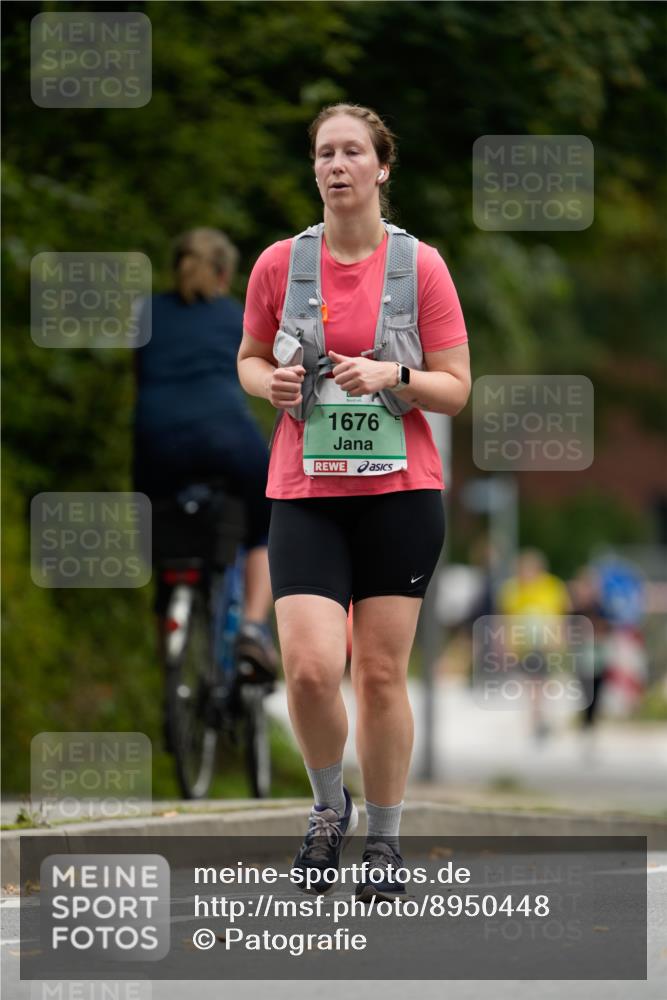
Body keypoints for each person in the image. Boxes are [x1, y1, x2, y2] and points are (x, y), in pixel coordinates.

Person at [238, 103, 470, 900]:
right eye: (323, 154)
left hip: (398, 494)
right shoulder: (278, 264)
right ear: (315, 170)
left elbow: (455, 388)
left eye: (351, 153)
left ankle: (385, 838)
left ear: (381, 168)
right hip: (306, 489)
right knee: (306, 668)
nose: (336, 165)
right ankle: (326, 804)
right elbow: (248, 356)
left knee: (376, 673)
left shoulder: (421, 267)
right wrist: (263, 381)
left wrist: (392, 377)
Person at [132, 227, 277, 677]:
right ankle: (253, 627)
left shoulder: (147, 313)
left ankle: (170, 672)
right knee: (267, 525)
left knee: (164, 536)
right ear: (223, 274)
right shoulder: (234, 315)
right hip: (226, 439)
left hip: (156, 443)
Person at [497, 549, 571, 741]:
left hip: (547, 642)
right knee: (533, 683)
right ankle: (537, 719)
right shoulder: (511, 589)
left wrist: (561, 639)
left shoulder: (553, 586)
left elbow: (562, 615)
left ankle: (540, 717)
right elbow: (505, 620)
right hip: (524, 644)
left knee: (541, 683)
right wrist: (505, 644)